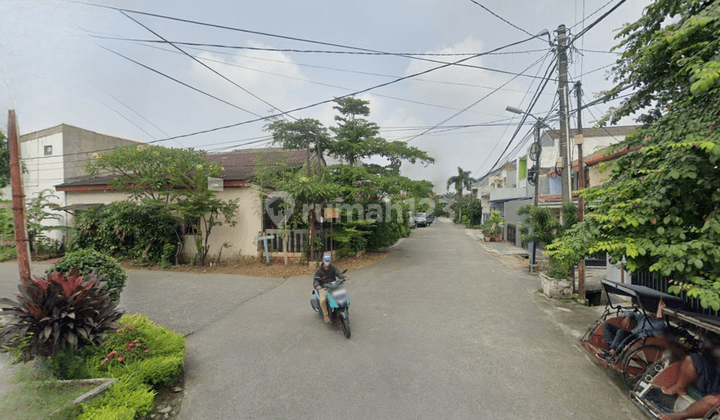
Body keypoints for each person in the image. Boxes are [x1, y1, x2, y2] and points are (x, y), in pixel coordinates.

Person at [657, 333, 720, 420]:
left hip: (716, 393)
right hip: (714, 376)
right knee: (693, 359)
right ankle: (679, 386)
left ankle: (680, 416)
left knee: (713, 400)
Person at [599, 298, 669, 361]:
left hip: (639, 338)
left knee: (621, 332)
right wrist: (628, 317)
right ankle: (614, 350)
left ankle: (611, 354)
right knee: (607, 325)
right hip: (630, 334)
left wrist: (641, 334)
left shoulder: (661, 323)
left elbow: (657, 332)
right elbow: (629, 312)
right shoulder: (643, 316)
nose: (652, 313)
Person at [313, 254, 348, 323]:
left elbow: (339, 274)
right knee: (323, 300)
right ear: (323, 261)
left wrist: (344, 277)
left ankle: (343, 308)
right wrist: (317, 285)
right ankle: (326, 315)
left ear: (330, 261)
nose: (327, 262)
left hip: (333, 285)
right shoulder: (319, 270)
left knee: (342, 295)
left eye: (328, 261)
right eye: (326, 261)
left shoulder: (333, 267)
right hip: (324, 287)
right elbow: (315, 280)